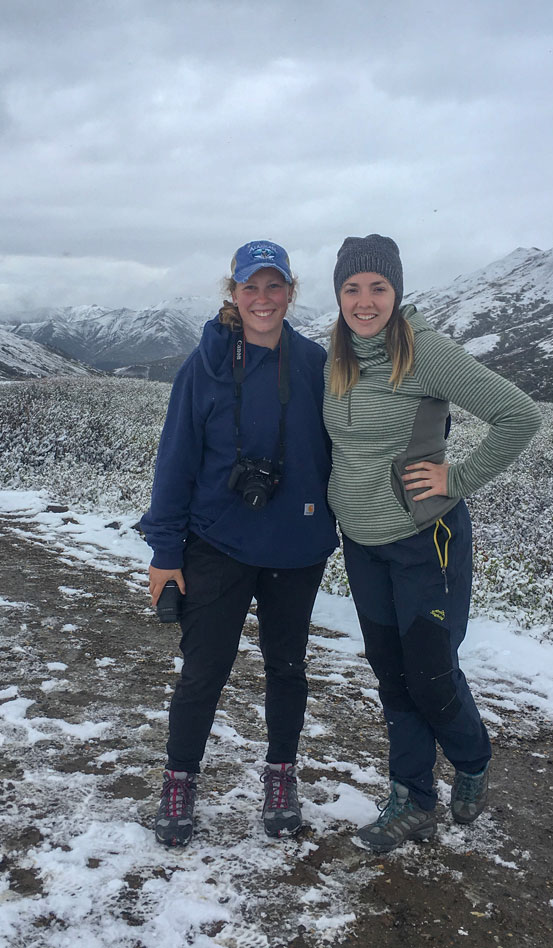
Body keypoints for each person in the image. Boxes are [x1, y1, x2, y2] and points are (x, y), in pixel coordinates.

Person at [322, 234, 541, 854]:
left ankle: (471, 760)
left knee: (431, 674)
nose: (365, 301)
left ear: (397, 291)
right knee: (392, 676)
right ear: (338, 295)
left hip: (426, 540)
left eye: (378, 287)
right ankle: (413, 799)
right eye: (352, 288)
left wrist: (458, 478)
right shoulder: (335, 359)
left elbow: (519, 416)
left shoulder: (425, 353)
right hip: (363, 545)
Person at [140, 240, 337, 846]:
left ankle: (281, 776)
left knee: (287, 669)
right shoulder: (203, 366)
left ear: (290, 293)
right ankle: (179, 780)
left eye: (274, 287)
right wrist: (165, 552)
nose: (262, 298)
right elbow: (175, 461)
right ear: (234, 293)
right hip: (216, 543)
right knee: (203, 672)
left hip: (297, 548)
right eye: (251, 287)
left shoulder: (316, 364)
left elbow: (355, 439)